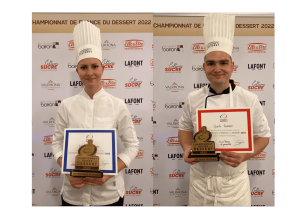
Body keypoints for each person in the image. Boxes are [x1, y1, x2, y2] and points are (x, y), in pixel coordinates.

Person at [178, 13, 270, 206]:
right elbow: (185, 128)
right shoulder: (193, 98)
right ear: (204, 67)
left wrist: (246, 155)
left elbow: (263, 136)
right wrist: (187, 147)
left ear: (232, 66)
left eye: (223, 63)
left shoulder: (249, 99)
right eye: (211, 63)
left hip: (234, 184)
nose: (217, 68)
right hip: (200, 182)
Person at [51, 21, 139, 206]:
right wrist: (68, 172)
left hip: (109, 195)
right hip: (73, 194)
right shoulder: (67, 106)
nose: (90, 72)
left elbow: (132, 146)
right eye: (84, 67)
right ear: (77, 71)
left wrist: (111, 171)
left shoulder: (118, 105)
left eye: (94, 66)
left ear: (103, 68)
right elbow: (57, 143)